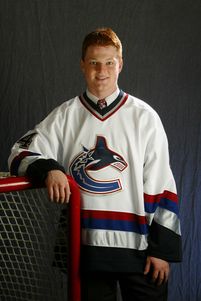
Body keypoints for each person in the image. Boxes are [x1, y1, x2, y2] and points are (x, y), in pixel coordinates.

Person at [8, 27, 182, 301]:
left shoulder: (144, 117)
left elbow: (161, 184)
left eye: (109, 62)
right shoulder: (65, 116)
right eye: (93, 63)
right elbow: (20, 151)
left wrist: (162, 250)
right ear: (82, 65)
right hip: (87, 249)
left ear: (120, 64)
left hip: (141, 250)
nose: (101, 71)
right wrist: (49, 169)